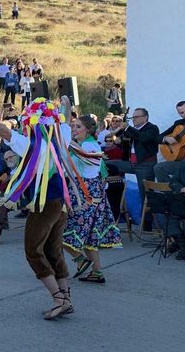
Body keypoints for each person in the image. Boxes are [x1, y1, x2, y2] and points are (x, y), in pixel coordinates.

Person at [0, 97, 85, 320]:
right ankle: (66, 299)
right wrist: (66, 104)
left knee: (33, 250)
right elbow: (63, 120)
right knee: (53, 250)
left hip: (45, 204)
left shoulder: (31, 144)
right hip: (60, 202)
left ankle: (58, 299)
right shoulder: (62, 137)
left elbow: (4, 131)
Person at [62, 115, 122, 284]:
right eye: (73, 126)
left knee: (63, 232)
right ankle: (97, 272)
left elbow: (83, 156)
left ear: (87, 130)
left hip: (85, 194)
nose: (74, 129)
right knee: (88, 236)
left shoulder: (88, 145)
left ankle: (80, 260)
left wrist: (63, 138)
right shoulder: (81, 145)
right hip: (85, 192)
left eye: (78, 127)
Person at [105, 107, 159, 210]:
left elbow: (143, 138)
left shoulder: (152, 128)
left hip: (145, 165)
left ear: (145, 117)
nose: (134, 119)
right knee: (107, 164)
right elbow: (121, 143)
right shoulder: (132, 130)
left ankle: (147, 223)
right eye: (133, 117)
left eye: (136, 117)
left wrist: (128, 128)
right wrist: (116, 135)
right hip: (131, 163)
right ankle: (112, 190)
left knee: (146, 195)